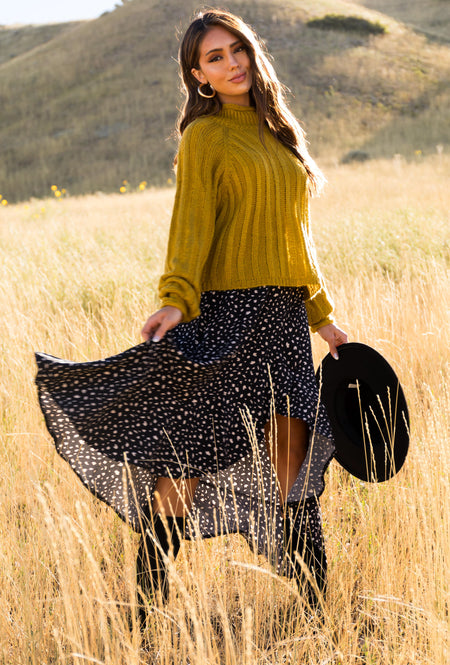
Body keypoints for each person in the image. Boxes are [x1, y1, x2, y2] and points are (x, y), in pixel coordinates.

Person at [35, 9, 347, 624]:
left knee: (293, 469)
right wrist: (176, 297)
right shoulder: (206, 137)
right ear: (198, 75)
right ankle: (144, 615)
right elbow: (192, 227)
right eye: (215, 57)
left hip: (284, 322)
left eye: (238, 50)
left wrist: (322, 318)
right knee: (184, 470)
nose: (232, 63)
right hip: (229, 320)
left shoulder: (278, 131)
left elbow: (295, 238)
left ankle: (318, 614)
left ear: (253, 54)